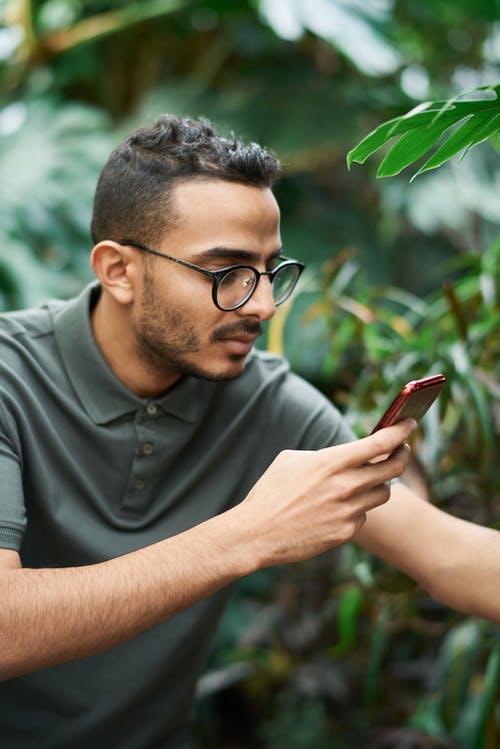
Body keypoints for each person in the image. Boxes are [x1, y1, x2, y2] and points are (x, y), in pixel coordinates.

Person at [0, 115, 498, 749]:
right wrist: (250, 534)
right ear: (118, 271)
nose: (262, 304)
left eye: (270, 270)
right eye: (226, 273)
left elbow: (450, 554)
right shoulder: (7, 379)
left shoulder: (265, 400)